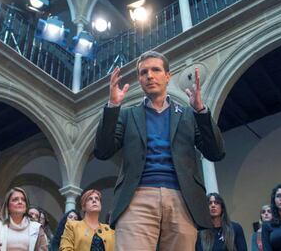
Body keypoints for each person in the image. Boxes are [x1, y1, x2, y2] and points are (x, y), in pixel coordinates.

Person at [94, 50, 225, 250]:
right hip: (136, 199)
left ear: (167, 76)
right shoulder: (127, 115)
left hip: (182, 199)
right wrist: (113, 106)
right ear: (139, 79)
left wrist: (201, 111)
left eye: (156, 70)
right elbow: (102, 151)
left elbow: (215, 152)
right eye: (143, 72)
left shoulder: (189, 115)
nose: (149, 75)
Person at [0, 186, 48, 250]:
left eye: (23, 200)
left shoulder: (37, 228)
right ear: (8, 206)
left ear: (26, 206)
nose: (20, 202)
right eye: (15, 199)